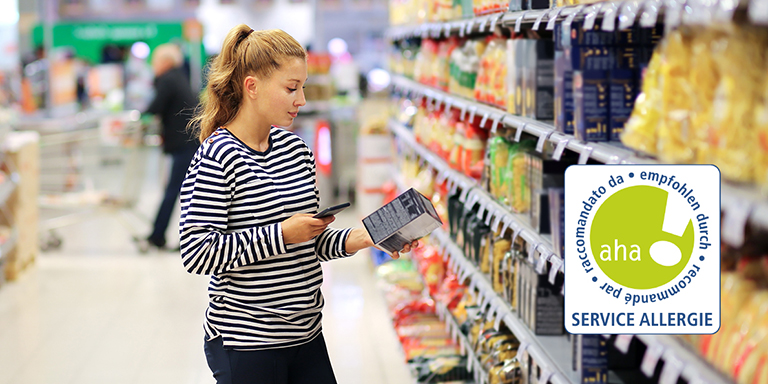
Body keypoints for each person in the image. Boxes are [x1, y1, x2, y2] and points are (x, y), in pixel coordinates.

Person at [179, 25, 417, 384]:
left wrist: (366, 236)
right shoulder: (217, 157)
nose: (301, 99)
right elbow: (197, 252)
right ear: (252, 87)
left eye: (303, 86)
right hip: (248, 343)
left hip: (307, 336)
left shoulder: (296, 151)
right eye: (291, 88)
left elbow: (309, 239)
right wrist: (281, 234)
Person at [138, 43, 200, 251]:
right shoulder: (179, 77)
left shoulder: (168, 79)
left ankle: (159, 235)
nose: (153, 66)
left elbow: (155, 107)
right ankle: (161, 234)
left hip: (185, 144)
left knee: (175, 191)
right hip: (190, 141)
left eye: (155, 61)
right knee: (184, 191)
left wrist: (137, 118)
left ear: (165, 62)